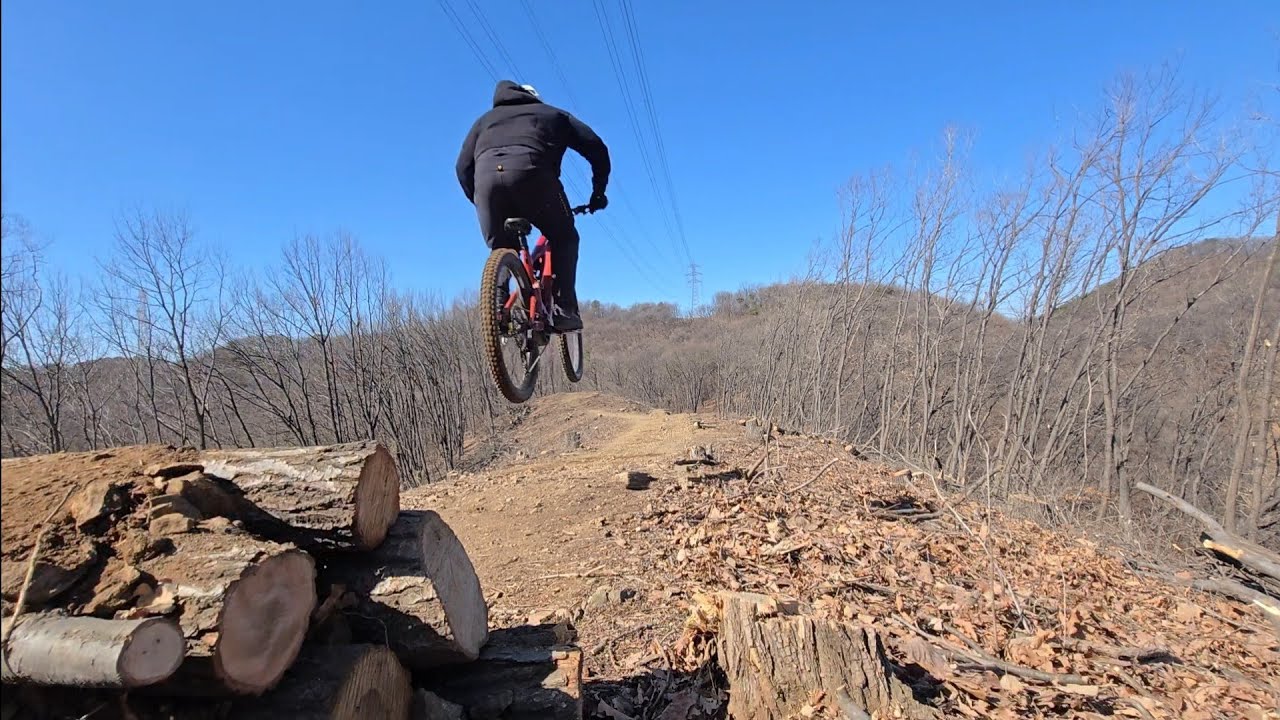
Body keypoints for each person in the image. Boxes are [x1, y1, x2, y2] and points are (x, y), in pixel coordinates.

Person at [455, 80, 611, 332]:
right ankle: (564, 309)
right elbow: (596, 148)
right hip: (534, 179)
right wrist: (598, 192)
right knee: (565, 238)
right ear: (534, 99)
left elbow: (462, 167)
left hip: (485, 185)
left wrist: (481, 201)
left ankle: (497, 309)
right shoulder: (553, 114)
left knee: (502, 245)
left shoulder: (483, 121)